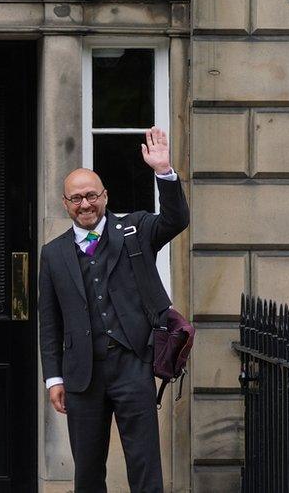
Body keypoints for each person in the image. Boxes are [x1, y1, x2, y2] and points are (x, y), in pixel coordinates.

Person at [38, 127, 189, 492]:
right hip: (82, 373)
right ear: (65, 203)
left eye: (91, 195)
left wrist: (164, 172)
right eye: (76, 198)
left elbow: (175, 220)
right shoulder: (54, 253)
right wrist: (54, 378)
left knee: (144, 464)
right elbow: (49, 320)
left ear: (105, 196)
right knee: (87, 471)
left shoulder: (135, 229)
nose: (85, 204)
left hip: (132, 364)